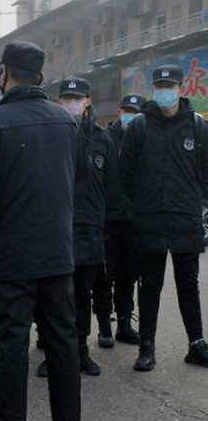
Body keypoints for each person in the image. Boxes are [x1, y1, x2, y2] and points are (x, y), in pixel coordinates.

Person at [0, 42, 81, 421]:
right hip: (57, 254)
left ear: (3, 74)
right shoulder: (66, 122)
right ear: (41, 77)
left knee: (11, 348)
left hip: (10, 259)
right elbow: (78, 179)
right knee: (63, 345)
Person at [120, 65, 208, 371]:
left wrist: (200, 207)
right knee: (150, 286)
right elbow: (125, 173)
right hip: (150, 218)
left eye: (169, 85)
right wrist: (141, 203)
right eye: (159, 86)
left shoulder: (197, 126)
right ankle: (146, 347)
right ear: (153, 89)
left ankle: (196, 344)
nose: (164, 91)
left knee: (188, 284)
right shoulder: (140, 126)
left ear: (181, 88)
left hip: (186, 218)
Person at [38, 78, 116, 378]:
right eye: (67, 97)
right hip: (56, 227)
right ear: (59, 102)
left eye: (77, 97)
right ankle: (54, 353)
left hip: (89, 227)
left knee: (83, 293)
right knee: (54, 295)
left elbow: (112, 186)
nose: (72, 102)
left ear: (88, 101)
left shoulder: (103, 139)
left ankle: (81, 350)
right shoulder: (49, 135)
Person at [92, 94, 146, 348]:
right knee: (104, 275)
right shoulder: (106, 139)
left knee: (128, 274)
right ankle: (105, 325)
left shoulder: (145, 139)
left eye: (136, 112)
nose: (130, 116)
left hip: (134, 218)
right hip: (109, 219)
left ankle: (124, 324)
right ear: (119, 112)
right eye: (128, 110)